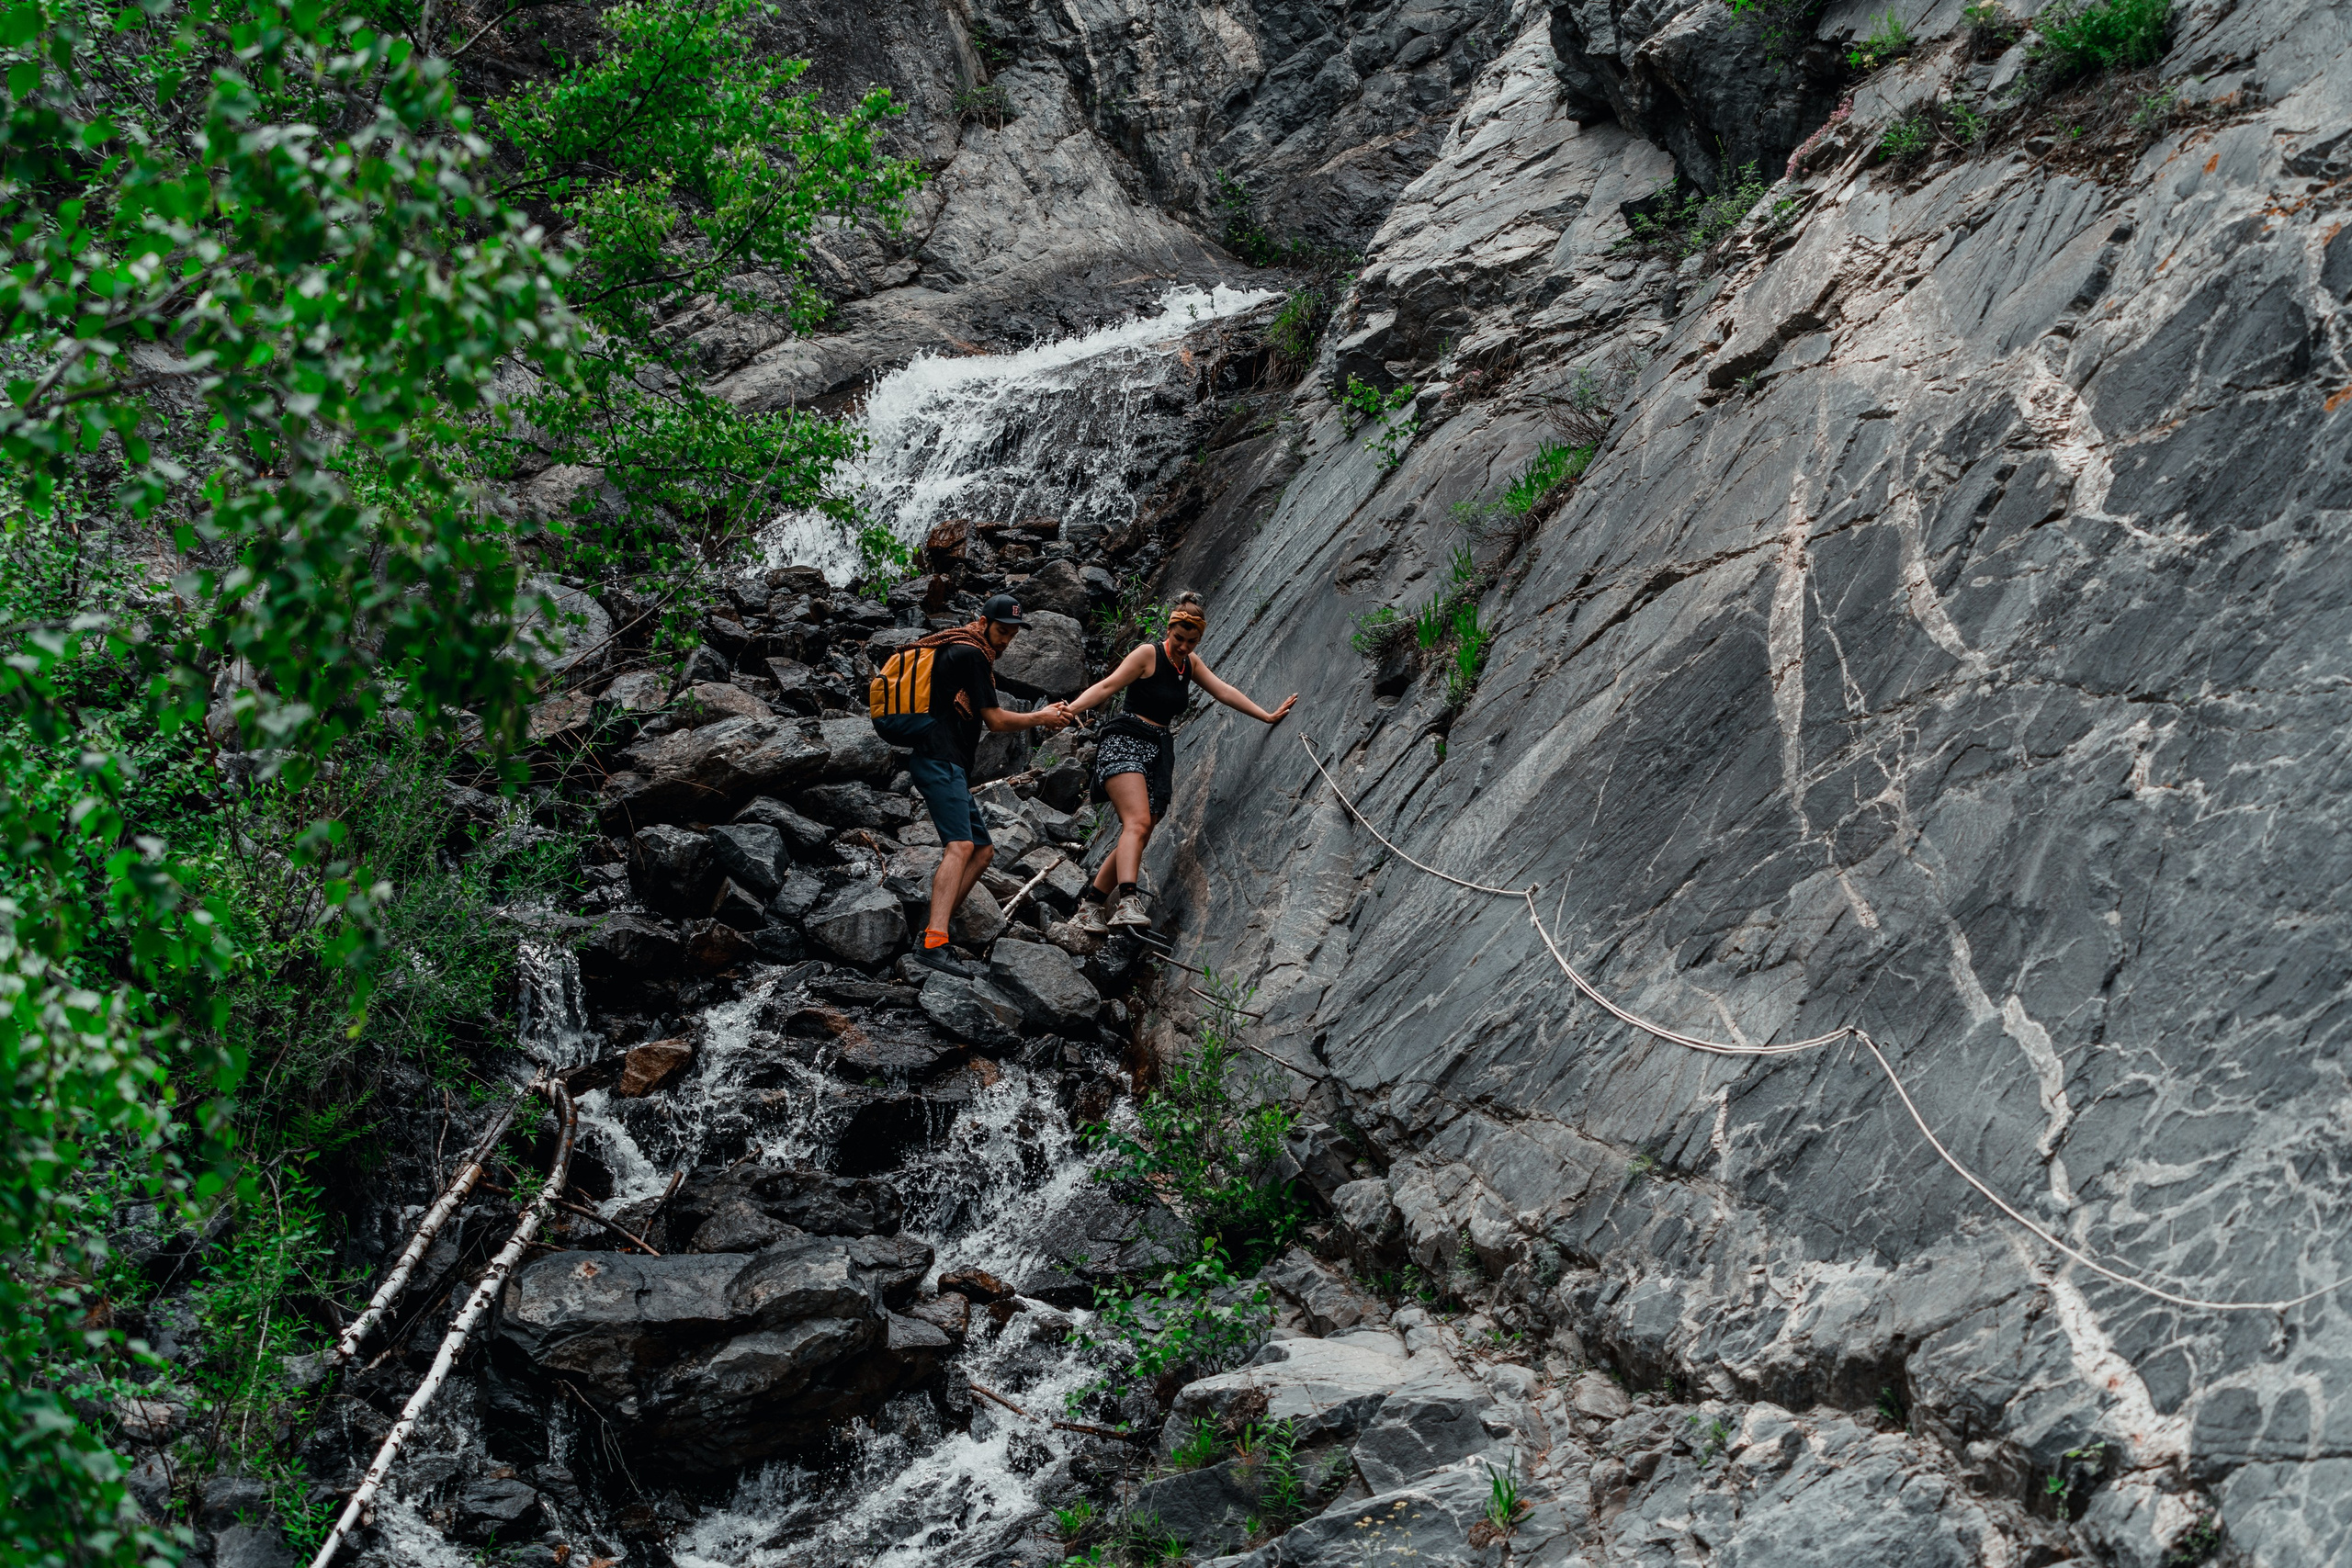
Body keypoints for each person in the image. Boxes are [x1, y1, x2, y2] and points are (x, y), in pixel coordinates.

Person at [1063, 592, 1296, 931]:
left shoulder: (1190, 665)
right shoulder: (1147, 654)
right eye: (1179, 639)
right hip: (1126, 740)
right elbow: (1107, 686)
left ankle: (1091, 905)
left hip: (1158, 751)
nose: (1184, 646)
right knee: (1138, 823)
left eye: (1191, 641)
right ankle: (1127, 900)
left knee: (1141, 831)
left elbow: (1224, 691)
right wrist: (1071, 710)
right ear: (1169, 630)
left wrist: (1266, 715)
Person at [873, 594, 1072, 972]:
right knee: (961, 846)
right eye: (1001, 631)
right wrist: (1041, 717)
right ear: (982, 623)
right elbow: (995, 720)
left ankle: (935, 927)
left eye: (1013, 634)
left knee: (982, 851)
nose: (1006, 641)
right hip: (938, 760)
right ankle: (934, 942)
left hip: (949, 765)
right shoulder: (972, 654)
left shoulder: (958, 648)